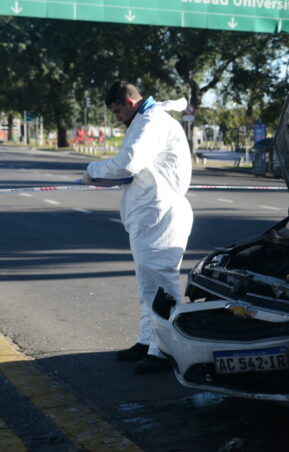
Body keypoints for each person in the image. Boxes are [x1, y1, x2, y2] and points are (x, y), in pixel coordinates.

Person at [83, 80, 193, 373]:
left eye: (118, 111)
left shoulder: (150, 120)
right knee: (149, 285)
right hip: (151, 214)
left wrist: (93, 170)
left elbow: (128, 163)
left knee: (162, 286)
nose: (117, 118)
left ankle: (165, 351)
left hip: (161, 214)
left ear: (129, 103)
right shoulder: (145, 119)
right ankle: (148, 341)